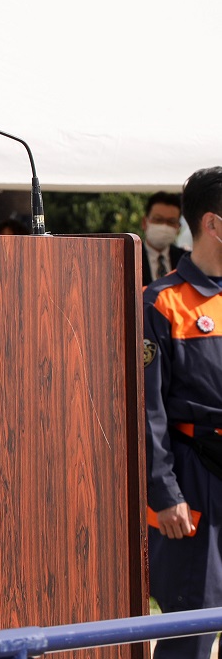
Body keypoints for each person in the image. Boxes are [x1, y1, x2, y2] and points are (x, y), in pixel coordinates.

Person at [144, 167, 222, 659]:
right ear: (215, 223)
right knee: (190, 630)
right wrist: (165, 494)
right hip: (194, 486)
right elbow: (147, 413)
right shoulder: (163, 302)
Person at [143, 191, 190, 284]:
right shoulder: (129, 258)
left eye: (171, 221)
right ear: (144, 222)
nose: (164, 226)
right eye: (158, 220)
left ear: (178, 227)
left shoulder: (186, 260)